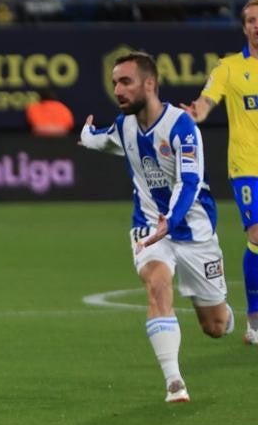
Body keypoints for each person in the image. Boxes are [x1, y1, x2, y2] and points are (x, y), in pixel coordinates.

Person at [78, 51, 232, 403]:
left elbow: (190, 181)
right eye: (115, 82)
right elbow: (102, 138)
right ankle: (174, 381)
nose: (117, 89)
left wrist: (171, 221)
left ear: (149, 84)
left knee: (215, 327)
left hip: (193, 231)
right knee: (157, 284)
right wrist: (86, 135)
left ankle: (223, 314)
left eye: (125, 81)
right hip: (148, 227)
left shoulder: (182, 126)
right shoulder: (124, 125)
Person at [182, 0, 258, 343]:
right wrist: (196, 112)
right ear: (244, 27)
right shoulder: (228, 68)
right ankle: (255, 322)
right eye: (252, 20)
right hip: (247, 166)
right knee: (257, 236)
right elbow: (207, 101)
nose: (257, 25)